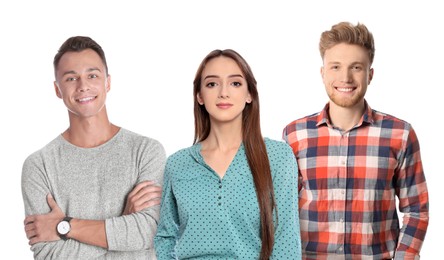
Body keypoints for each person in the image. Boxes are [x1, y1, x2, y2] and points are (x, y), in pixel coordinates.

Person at [282, 21, 429, 259]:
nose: (346, 77)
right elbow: (280, 211)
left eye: (356, 67)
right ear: (323, 73)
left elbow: (416, 210)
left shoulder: (400, 135)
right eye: (336, 67)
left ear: (370, 74)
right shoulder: (294, 135)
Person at [22, 36, 166, 259]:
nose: (83, 86)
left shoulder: (146, 151)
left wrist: (66, 228)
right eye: (71, 78)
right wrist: (122, 224)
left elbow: (148, 233)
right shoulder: (39, 166)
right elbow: (49, 254)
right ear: (57, 89)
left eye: (92, 75)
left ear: (107, 82)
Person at [154, 49, 302, 259]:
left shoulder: (277, 157)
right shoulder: (177, 164)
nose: (223, 92)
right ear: (200, 96)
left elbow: (286, 243)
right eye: (212, 84)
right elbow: (165, 237)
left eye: (235, 83)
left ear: (249, 94)